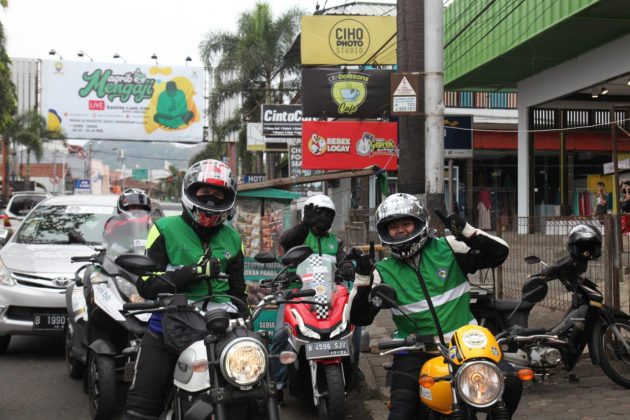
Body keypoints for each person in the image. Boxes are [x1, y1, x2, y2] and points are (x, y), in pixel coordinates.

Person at [347, 193, 522, 420]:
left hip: (466, 345)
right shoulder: (383, 271)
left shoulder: (448, 247)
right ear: (385, 232)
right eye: (394, 227)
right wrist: (362, 278)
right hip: (414, 350)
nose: (400, 231)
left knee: (511, 383)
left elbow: (499, 253)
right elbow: (358, 317)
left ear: (419, 223)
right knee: (401, 412)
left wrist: (467, 232)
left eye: (406, 224)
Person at [123, 159, 245, 420]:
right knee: (140, 408)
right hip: (170, 324)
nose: (211, 200)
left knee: (254, 388)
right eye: (204, 192)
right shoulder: (164, 229)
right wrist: (194, 272)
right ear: (190, 192)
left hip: (220, 327)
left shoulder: (233, 238)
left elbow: (238, 292)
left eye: (218, 195)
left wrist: (247, 322)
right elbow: (146, 284)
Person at [270, 194, 357, 397]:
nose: (324, 218)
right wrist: (304, 226)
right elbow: (286, 242)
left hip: (330, 293)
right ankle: (278, 384)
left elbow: (342, 259)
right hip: (296, 292)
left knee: (354, 327)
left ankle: (353, 371)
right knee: (281, 334)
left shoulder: (335, 241)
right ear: (308, 214)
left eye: (329, 214)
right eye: (320, 213)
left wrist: (347, 266)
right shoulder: (299, 235)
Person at [103, 188, 153, 254]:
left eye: (141, 208)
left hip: (146, 258)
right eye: (133, 207)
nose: (137, 210)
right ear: (123, 207)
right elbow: (108, 239)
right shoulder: (114, 221)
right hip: (118, 257)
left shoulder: (151, 224)